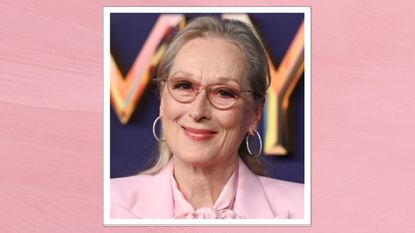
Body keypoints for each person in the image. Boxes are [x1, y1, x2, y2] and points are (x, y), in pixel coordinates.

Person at [111, 16, 303, 219]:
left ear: (256, 113)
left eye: (224, 92)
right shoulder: (107, 203)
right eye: (184, 86)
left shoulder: (305, 208)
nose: (198, 111)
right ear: (162, 99)